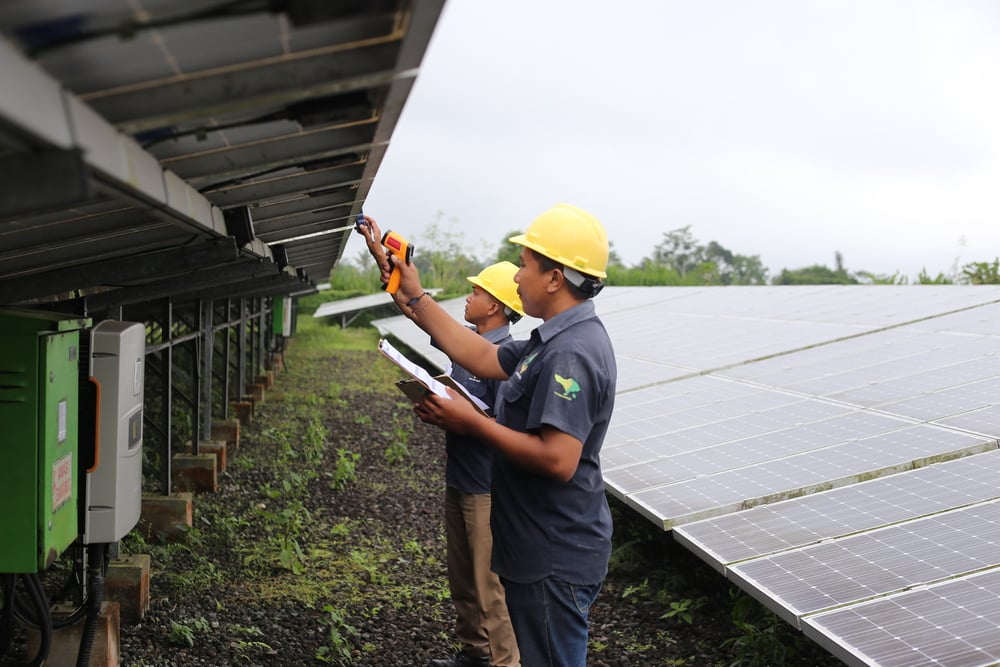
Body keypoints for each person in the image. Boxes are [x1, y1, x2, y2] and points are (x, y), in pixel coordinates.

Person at [364, 204, 616, 667]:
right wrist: (413, 293)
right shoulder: (552, 342)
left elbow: (559, 459)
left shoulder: (573, 353)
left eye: (525, 266)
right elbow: (479, 355)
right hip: (536, 543)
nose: (517, 279)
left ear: (555, 278)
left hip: (554, 550)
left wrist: (473, 423)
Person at [429, 262, 524, 667]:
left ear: (495, 307)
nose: (468, 297)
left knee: (490, 588)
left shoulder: (504, 360)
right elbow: (426, 319)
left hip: (486, 489)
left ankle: (505, 662)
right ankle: (475, 653)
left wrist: (460, 418)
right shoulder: (468, 345)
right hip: (459, 479)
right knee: (462, 577)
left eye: (477, 293)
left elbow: (502, 426)